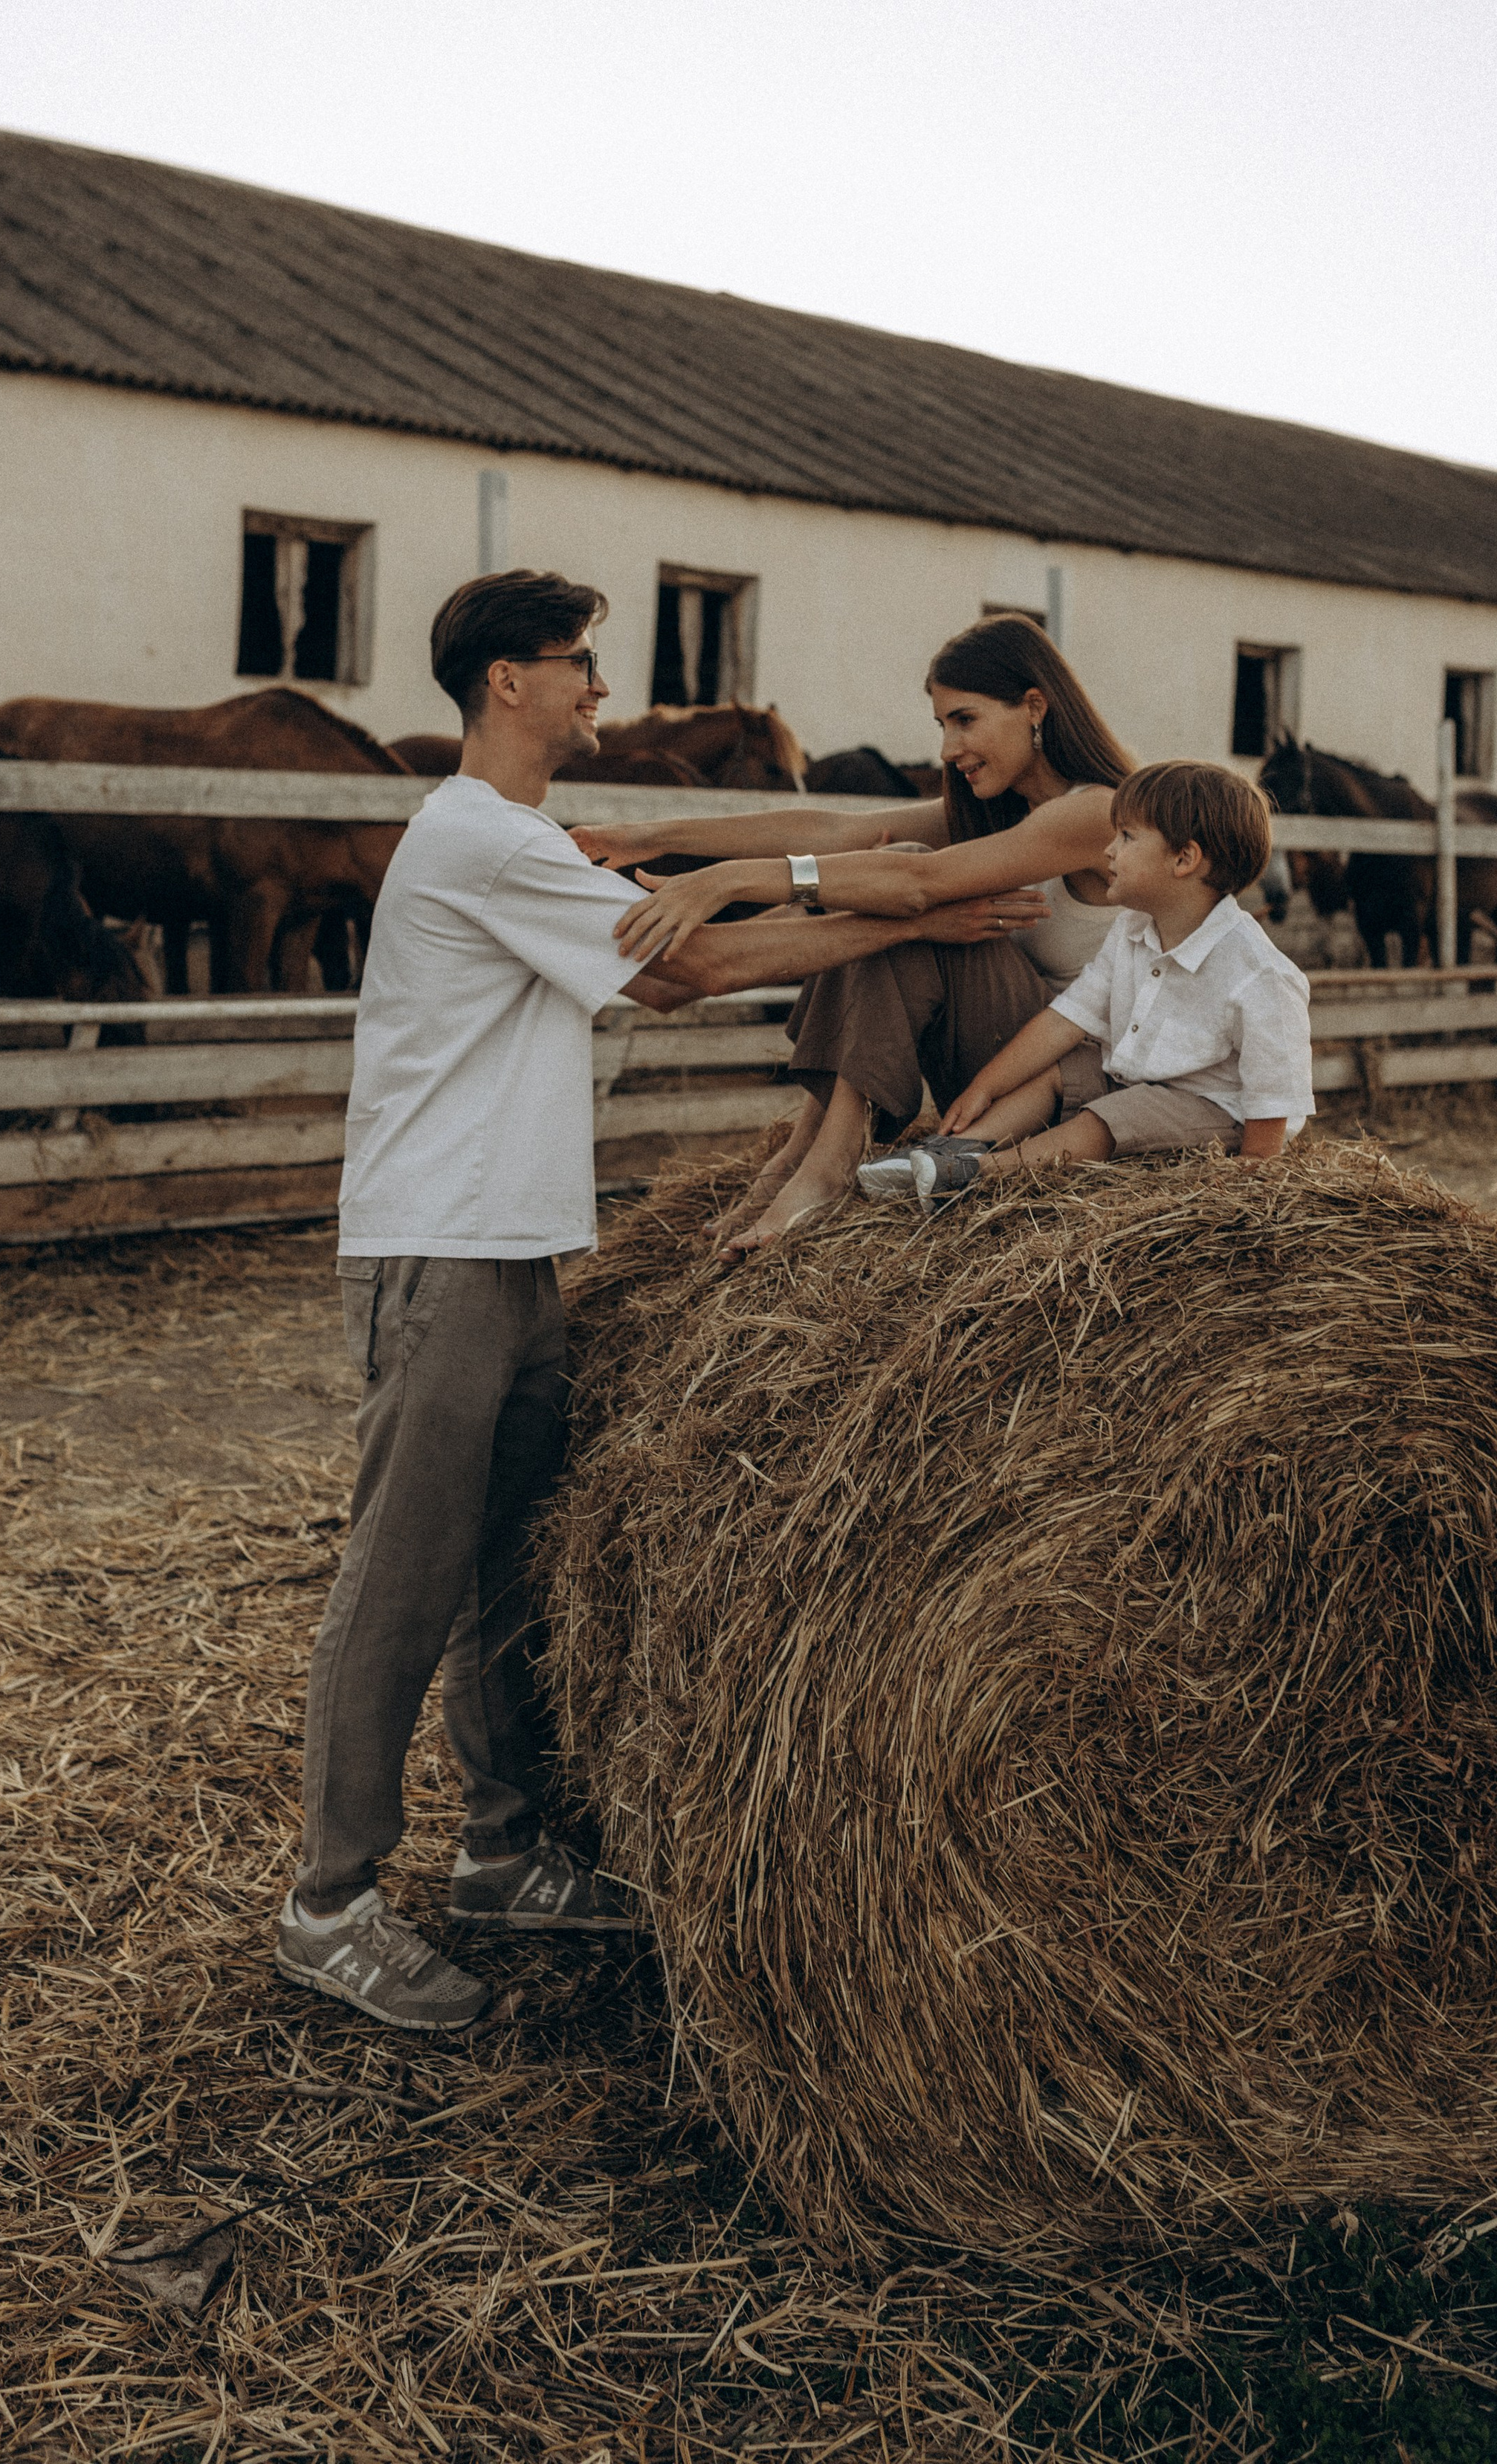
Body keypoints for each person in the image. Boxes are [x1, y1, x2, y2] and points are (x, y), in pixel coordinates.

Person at [278, 570, 1021, 2032]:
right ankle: (327, 1904)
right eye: (576, 666)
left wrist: (913, 874)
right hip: (436, 1251)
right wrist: (914, 926)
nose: (596, 691)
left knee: (503, 1568)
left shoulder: (524, 841)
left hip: (511, 1246)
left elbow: (733, 898)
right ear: (505, 682)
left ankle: (504, 1853)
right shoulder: (478, 840)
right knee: (400, 1577)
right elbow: (695, 968)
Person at [573, 617, 1132, 1250]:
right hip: (993, 1074)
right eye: (942, 726)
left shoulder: (1097, 810)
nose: (949, 749)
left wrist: (732, 883)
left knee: (901, 892)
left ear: (1034, 707)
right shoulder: (1007, 810)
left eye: (965, 720)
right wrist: (650, 837)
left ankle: (822, 1164)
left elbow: (920, 884)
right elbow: (836, 832)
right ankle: (806, 1156)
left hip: (1066, 1092)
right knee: (883, 887)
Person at [859, 759, 1313, 1206]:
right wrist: (985, 1086)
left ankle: (979, 1175)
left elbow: (1274, 1096)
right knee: (1059, 1071)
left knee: (1106, 1118)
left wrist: (1251, 1178)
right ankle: (952, 1149)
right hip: (1132, 1081)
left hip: (1212, 1110)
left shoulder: (1260, 975)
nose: (1109, 851)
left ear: (1184, 858)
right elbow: (1065, 1019)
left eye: (1128, 837)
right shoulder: (1133, 929)